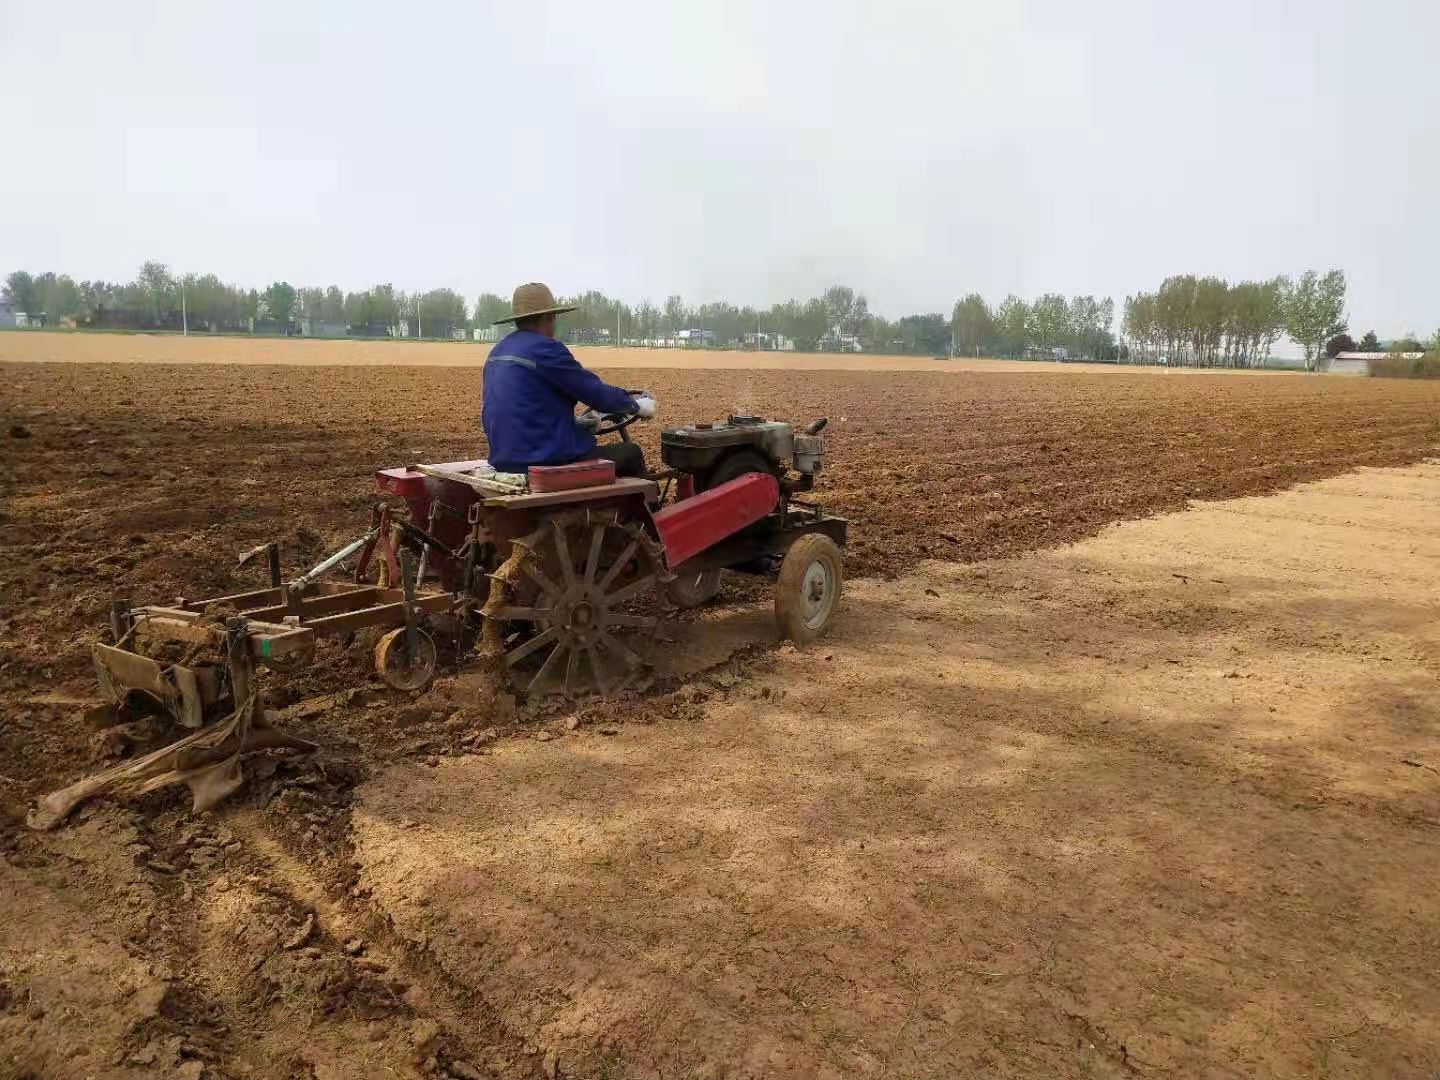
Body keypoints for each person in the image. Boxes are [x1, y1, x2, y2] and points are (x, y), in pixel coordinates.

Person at [481, 282, 655, 478]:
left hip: (504, 459)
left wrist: (577, 424)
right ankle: (648, 508)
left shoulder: (497, 352)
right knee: (630, 453)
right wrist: (635, 406)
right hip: (543, 460)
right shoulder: (546, 349)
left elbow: (528, 407)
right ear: (549, 317)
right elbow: (594, 392)